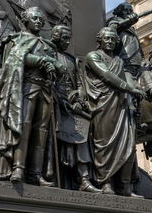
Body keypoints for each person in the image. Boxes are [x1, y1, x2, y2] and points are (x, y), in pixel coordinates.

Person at [0, 7, 62, 186]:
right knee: (22, 127)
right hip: (25, 88)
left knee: (41, 133)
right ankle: (18, 168)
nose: (39, 21)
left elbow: (61, 68)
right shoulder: (17, 40)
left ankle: (36, 173)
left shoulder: (49, 46)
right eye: (35, 18)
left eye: (41, 19)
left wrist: (53, 65)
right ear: (26, 20)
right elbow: (13, 61)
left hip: (46, 90)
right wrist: (42, 61)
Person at [82, 27, 145, 196]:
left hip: (122, 105)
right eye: (106, 38)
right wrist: (129, 88)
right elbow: (106, 75)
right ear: (99, 40)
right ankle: (106, 183)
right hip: (103, 105)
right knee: (104, 145)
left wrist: (131, 97)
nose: (110, 41)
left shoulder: (119, 60)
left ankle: (125, 186)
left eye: (112, 39)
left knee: (128, 145)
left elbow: (123, 79)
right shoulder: (92, 56)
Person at [107, 2, 152, 157]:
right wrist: (130, 20)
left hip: (138, 66)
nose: (130, 13)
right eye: (127, 11)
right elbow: (113, 30)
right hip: (124, 67)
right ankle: (131, 124)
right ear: (121, 12)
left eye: (131, 11)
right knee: (130, 93)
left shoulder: (131, 29)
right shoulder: (114, 23)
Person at [50, 25, 101, 193]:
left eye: (68, 39)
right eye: (64, 38)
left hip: (73, 107)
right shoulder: (49, 54)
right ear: (56, 37)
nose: (66, 42)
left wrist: (78, 95)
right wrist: (59, 98)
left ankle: (84, 179)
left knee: (83, 133)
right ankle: (51, 175)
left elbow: (79, 82)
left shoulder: (71, 60)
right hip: (55, 105)